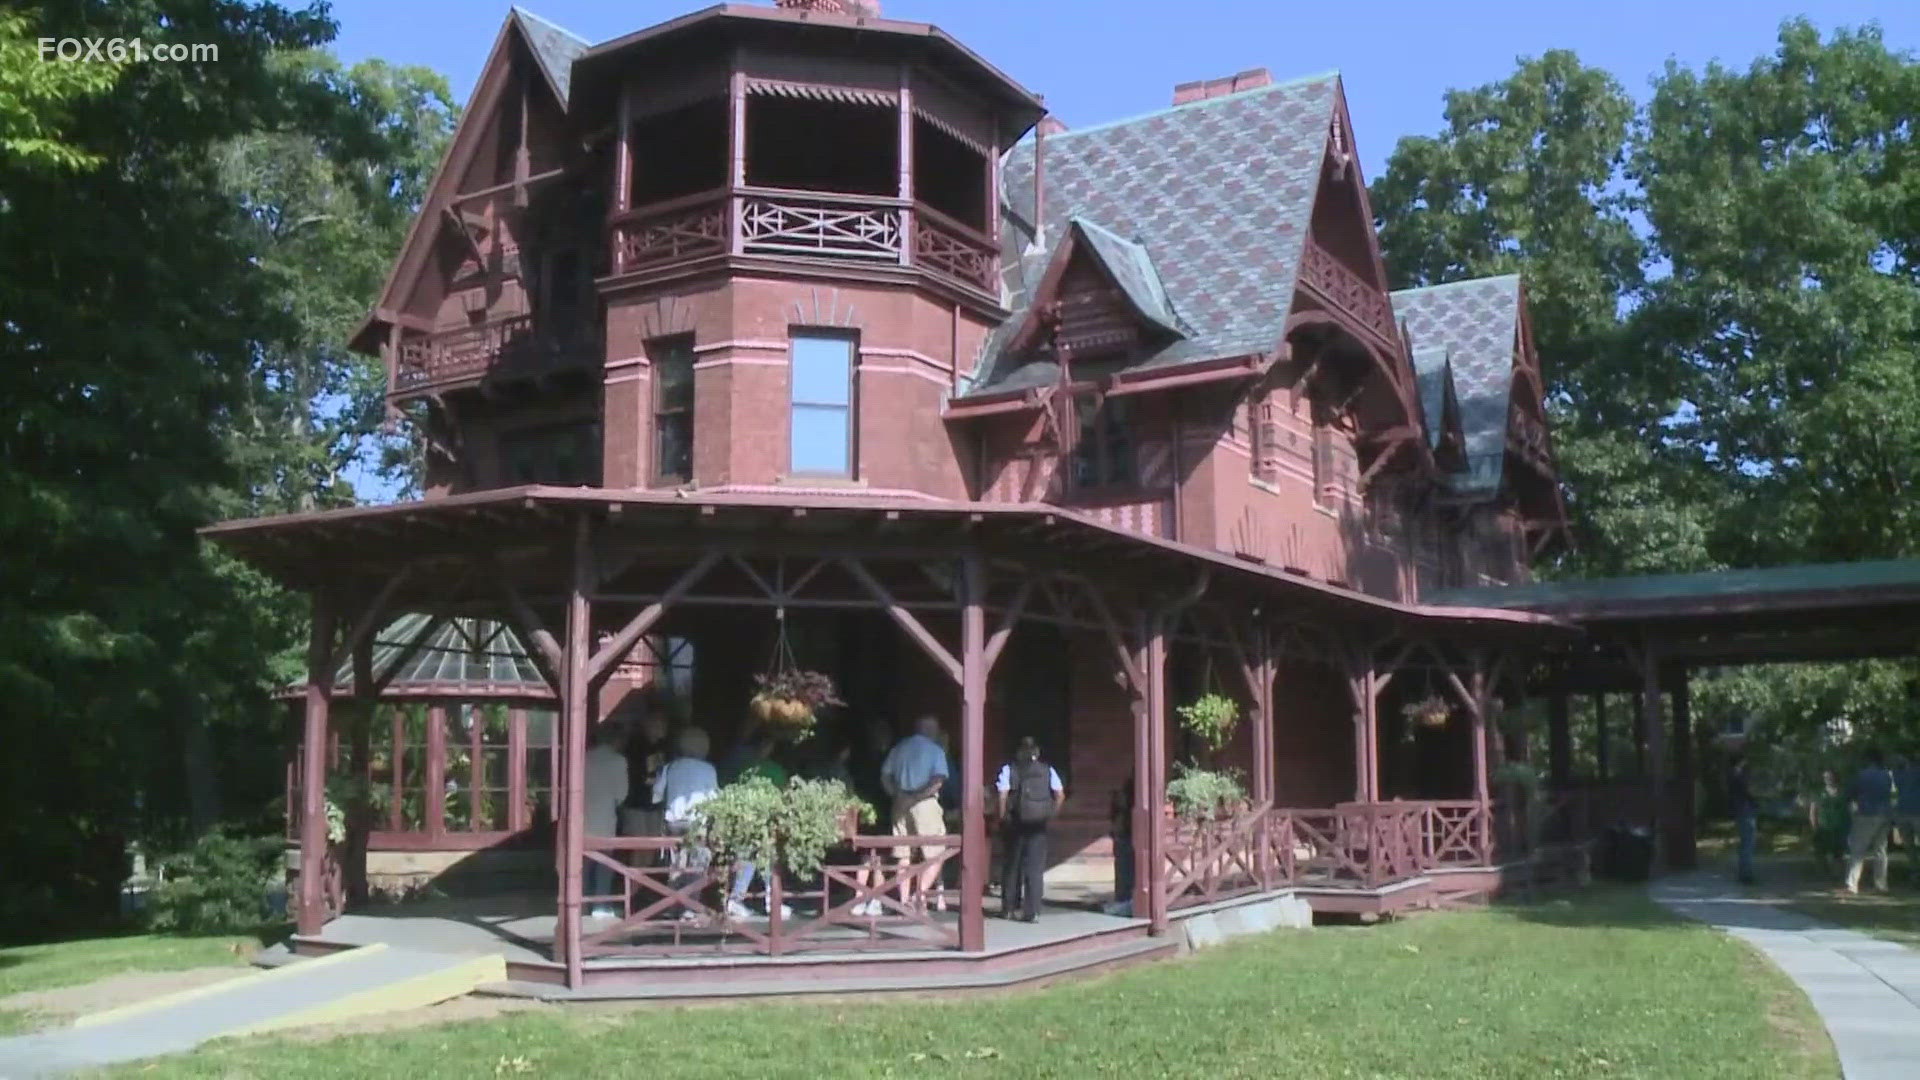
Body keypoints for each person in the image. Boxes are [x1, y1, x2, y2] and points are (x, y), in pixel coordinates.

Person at [880, 715, 950, 913]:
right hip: (925, 804)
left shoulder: (899, 748)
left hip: (900, 803)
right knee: (936, 853)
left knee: (902, 854)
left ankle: (903, 901)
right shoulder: (936, 751)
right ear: (930, 730)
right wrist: (918, 796)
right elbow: (938, 780)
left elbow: (885, 776)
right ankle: (917, 894)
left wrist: (896, 794)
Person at [724, 728, 793, 920]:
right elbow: (785, 795)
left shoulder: (742, 768)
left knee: (747, 862)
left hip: (745, 820)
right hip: (766, 822)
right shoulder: (774, 769)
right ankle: (772, 902)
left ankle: (737, 901)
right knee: (767, 864)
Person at [994, 737, 1064, 922]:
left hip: (1015, 824)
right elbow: (1059, 794)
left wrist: (1002, 817)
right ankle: (1032, 911)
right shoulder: (1048, 770)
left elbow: (1002, 796)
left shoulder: (1010, 769)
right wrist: (1050, 813)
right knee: (1035, 868)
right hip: (1038, 825)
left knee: (1012, 867)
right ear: (1037, 753)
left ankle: (1008, 908)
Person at [653, 726, 719, 921]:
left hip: (673, 821)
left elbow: (656, 795)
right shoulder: (708, 769)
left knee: (677, 865)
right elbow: (715, 797)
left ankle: (674, 904)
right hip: (697, 822)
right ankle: (690, 906)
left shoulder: (671, 767)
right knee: (698, 865)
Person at [583, 717, 629, 921]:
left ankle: (581, 902)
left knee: (582, 864)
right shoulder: (619, 761)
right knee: (604, 864)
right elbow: (622, 794)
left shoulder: (583, 757)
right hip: (605, 815)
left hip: (581, 816)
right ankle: (600, 904)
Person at [619, 704, 673, 853]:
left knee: (652, 848)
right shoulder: (636, 746)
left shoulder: (664, 747)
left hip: (655, 805)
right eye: (659, 724)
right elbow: (636, 776)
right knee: (638, 848)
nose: (663, 728)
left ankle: (642, 876)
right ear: (649, 725)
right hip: (636, 803)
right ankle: (634, 876)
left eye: (664, 725)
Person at [1843, 748, 1898, 894]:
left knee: (1858, 850)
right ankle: (1881, 884)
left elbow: (1849, 793)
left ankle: (1852, 884)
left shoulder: (1862, 775)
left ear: (1868, 760)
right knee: (1880, 850)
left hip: (1866, 814)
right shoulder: (1886, 775)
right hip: (1885, 814)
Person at [1103, 777, 1135, 917]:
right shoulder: (1131, 798)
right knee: (1127, 868)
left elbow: (1114, 816)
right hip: (1128, 835)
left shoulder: (1122, 797)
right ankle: (1126, 900)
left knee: (1124, 869)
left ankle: (1123, 899)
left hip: (1124, 835)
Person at [1728, 750, 1758, 885]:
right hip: (1745, 810)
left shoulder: (1732, 775)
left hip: (1740, 810)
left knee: (1745, 842)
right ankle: (1746, 874)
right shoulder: (1739, 776)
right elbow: (1748, 792)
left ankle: (1744, 872)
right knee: (1748, 842)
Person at [1893, 753, 1920, 879]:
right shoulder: (1899, 773)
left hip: (1910, 812)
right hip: (1905, 812)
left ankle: (1915, 871)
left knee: (1909, 845)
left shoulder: (1902, 773)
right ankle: (1914, 871)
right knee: (1908, 845)